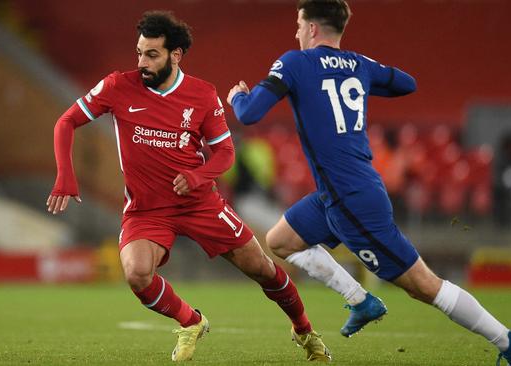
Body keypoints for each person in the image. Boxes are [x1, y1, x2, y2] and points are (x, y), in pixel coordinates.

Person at [227, 1, 511, 365]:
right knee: (280, 241)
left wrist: (237, 96)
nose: (296, 32)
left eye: (298, 24)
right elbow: (406, 83)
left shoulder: (294, 62)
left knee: (424, 286)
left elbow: (248, 112)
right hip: (336, 193)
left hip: (351, 200)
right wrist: (360, 72)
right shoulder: (357, 63)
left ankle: (509, 341)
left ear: (312, 29)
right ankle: (361, 300)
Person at [46, 11, 330, 362]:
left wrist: (198, 176)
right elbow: (66, 122)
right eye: (139, 53)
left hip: (199, 203)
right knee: (136, 274)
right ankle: (190, 321)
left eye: (152, 55)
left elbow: (225, 154)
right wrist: (65, 176)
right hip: (147, 209)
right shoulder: (118, 86)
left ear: (175, 55)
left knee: (263, 268)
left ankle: (303, 329)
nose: (142, 62)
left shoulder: (202, 94)